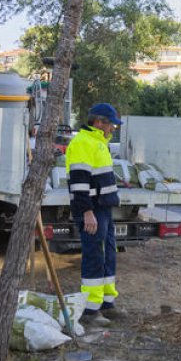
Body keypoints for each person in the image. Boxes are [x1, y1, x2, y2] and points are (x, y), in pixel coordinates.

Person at [66, 102, 126, 327]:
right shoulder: (83, 143)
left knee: (108, 253)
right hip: (92, 209)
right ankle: (91, 311)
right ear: (99, 122)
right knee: (94, 255)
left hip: (103, 208)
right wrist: (87, 212)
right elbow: (79, 182)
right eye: (111, 124)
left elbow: (97, 176)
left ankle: (107, 304)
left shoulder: (99, 143)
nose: (113, 129)